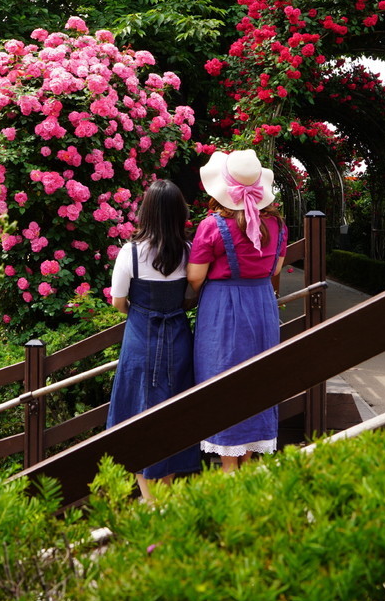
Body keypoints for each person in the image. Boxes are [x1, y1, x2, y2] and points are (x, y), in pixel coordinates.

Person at [187, 149, 286, 473]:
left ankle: (229, 467)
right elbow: (276, 269)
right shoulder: (278, 225)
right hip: (262, 306)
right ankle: (247, 462)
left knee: (222, 378)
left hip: (223, 309)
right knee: (259, 379)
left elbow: (195, 276)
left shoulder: (212, 225)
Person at [106, 179, 201, 500]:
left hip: (140, 339)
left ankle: (149, 499)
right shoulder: (188, 252)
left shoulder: (129, 253)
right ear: (179, 214)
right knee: (174, 414)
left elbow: (118, 301)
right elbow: (191, 297)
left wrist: (140, 309)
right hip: (177, 339)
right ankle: (165, 493)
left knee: (137, 412)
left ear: (145, 212)